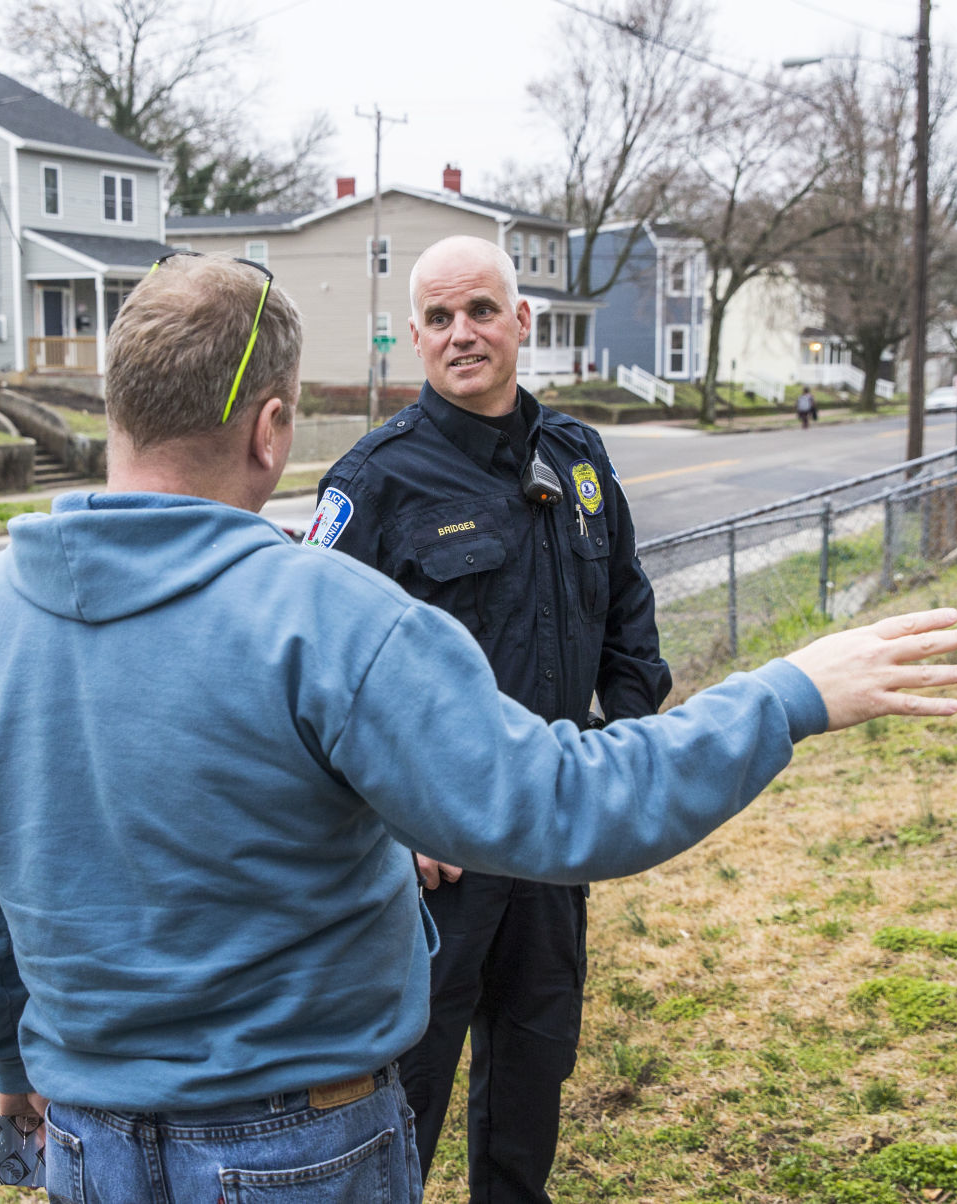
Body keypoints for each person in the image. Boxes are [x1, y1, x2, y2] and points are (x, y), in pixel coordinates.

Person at [0, 252, 957, 1204]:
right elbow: (564, 803)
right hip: (300, 1148)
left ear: (118, 407)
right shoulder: (323, 612)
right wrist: (788, 694)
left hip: (82, 1143)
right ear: (271, 427)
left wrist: (10, 1063)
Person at [310, 234, 665, 1202]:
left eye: (478, 311)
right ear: (415, 340)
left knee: (528, 1092)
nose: (459, 333)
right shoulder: (370, 484)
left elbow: (630, 625)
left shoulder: (578, 461)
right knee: (400, 1118)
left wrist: (617, 757)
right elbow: (313, 682)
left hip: (550, 849)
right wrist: (389, 822)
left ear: (521, 321)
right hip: (434, 875)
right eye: (437, 318)